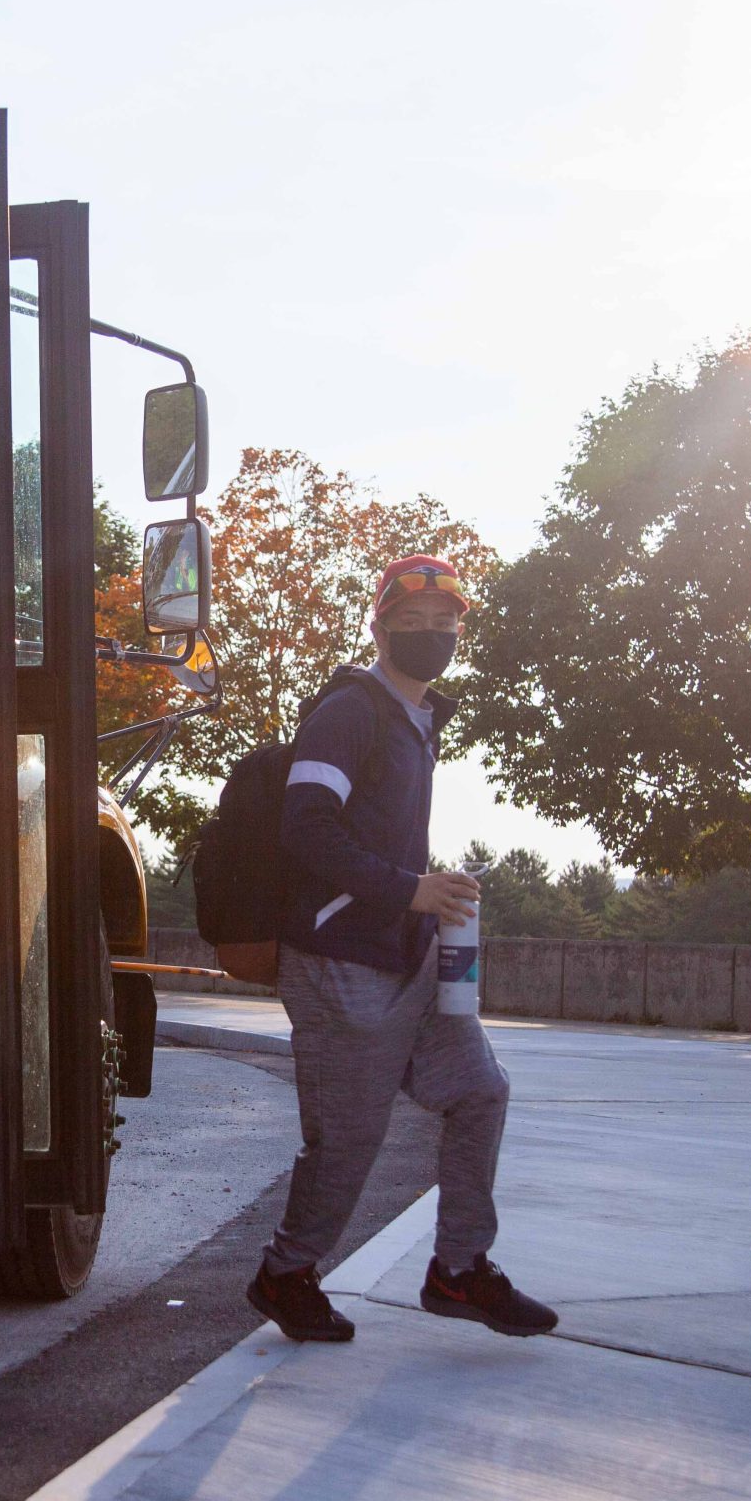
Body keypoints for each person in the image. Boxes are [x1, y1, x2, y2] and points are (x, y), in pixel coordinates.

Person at [246, 555, 557, 1343]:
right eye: (412, 623)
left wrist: (427, 888)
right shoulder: (351, 711)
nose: (432, 635)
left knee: (481, 1091)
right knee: (350, 1140)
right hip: (339, 962)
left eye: (445, 623)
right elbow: (305, 825)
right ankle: (286, 1274)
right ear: (379, 627)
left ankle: (458, 1271)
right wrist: (408, 887)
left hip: (407, 954)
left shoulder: (418, 720)